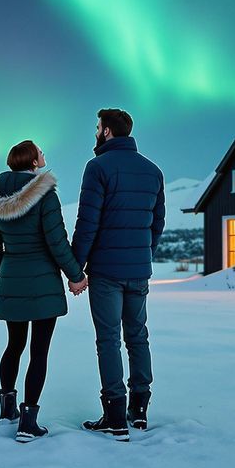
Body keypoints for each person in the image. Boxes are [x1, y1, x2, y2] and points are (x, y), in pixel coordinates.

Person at [0, 139, 88, 443]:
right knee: (39, 351)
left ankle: (7, 411)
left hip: (12, 278)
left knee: (14, 345)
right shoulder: (45, 194)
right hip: (43, 285)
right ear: (33, 161)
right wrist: (76, 276)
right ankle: (28, 423)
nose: (44, 155)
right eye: (40, 152)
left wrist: (8, 270)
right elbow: (57, 242)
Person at [70, 108, 165, 442]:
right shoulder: (153, 171)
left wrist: (75, 266)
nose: (96, 132)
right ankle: (139, 411)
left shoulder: (97, 168)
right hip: (139, 271)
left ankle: (114, 415)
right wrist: (143, 254)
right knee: (138, 336)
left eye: (97, 127)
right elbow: (157, 223)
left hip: (107, 272)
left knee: (108, 339)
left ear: (107, 132)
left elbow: (87, 222)